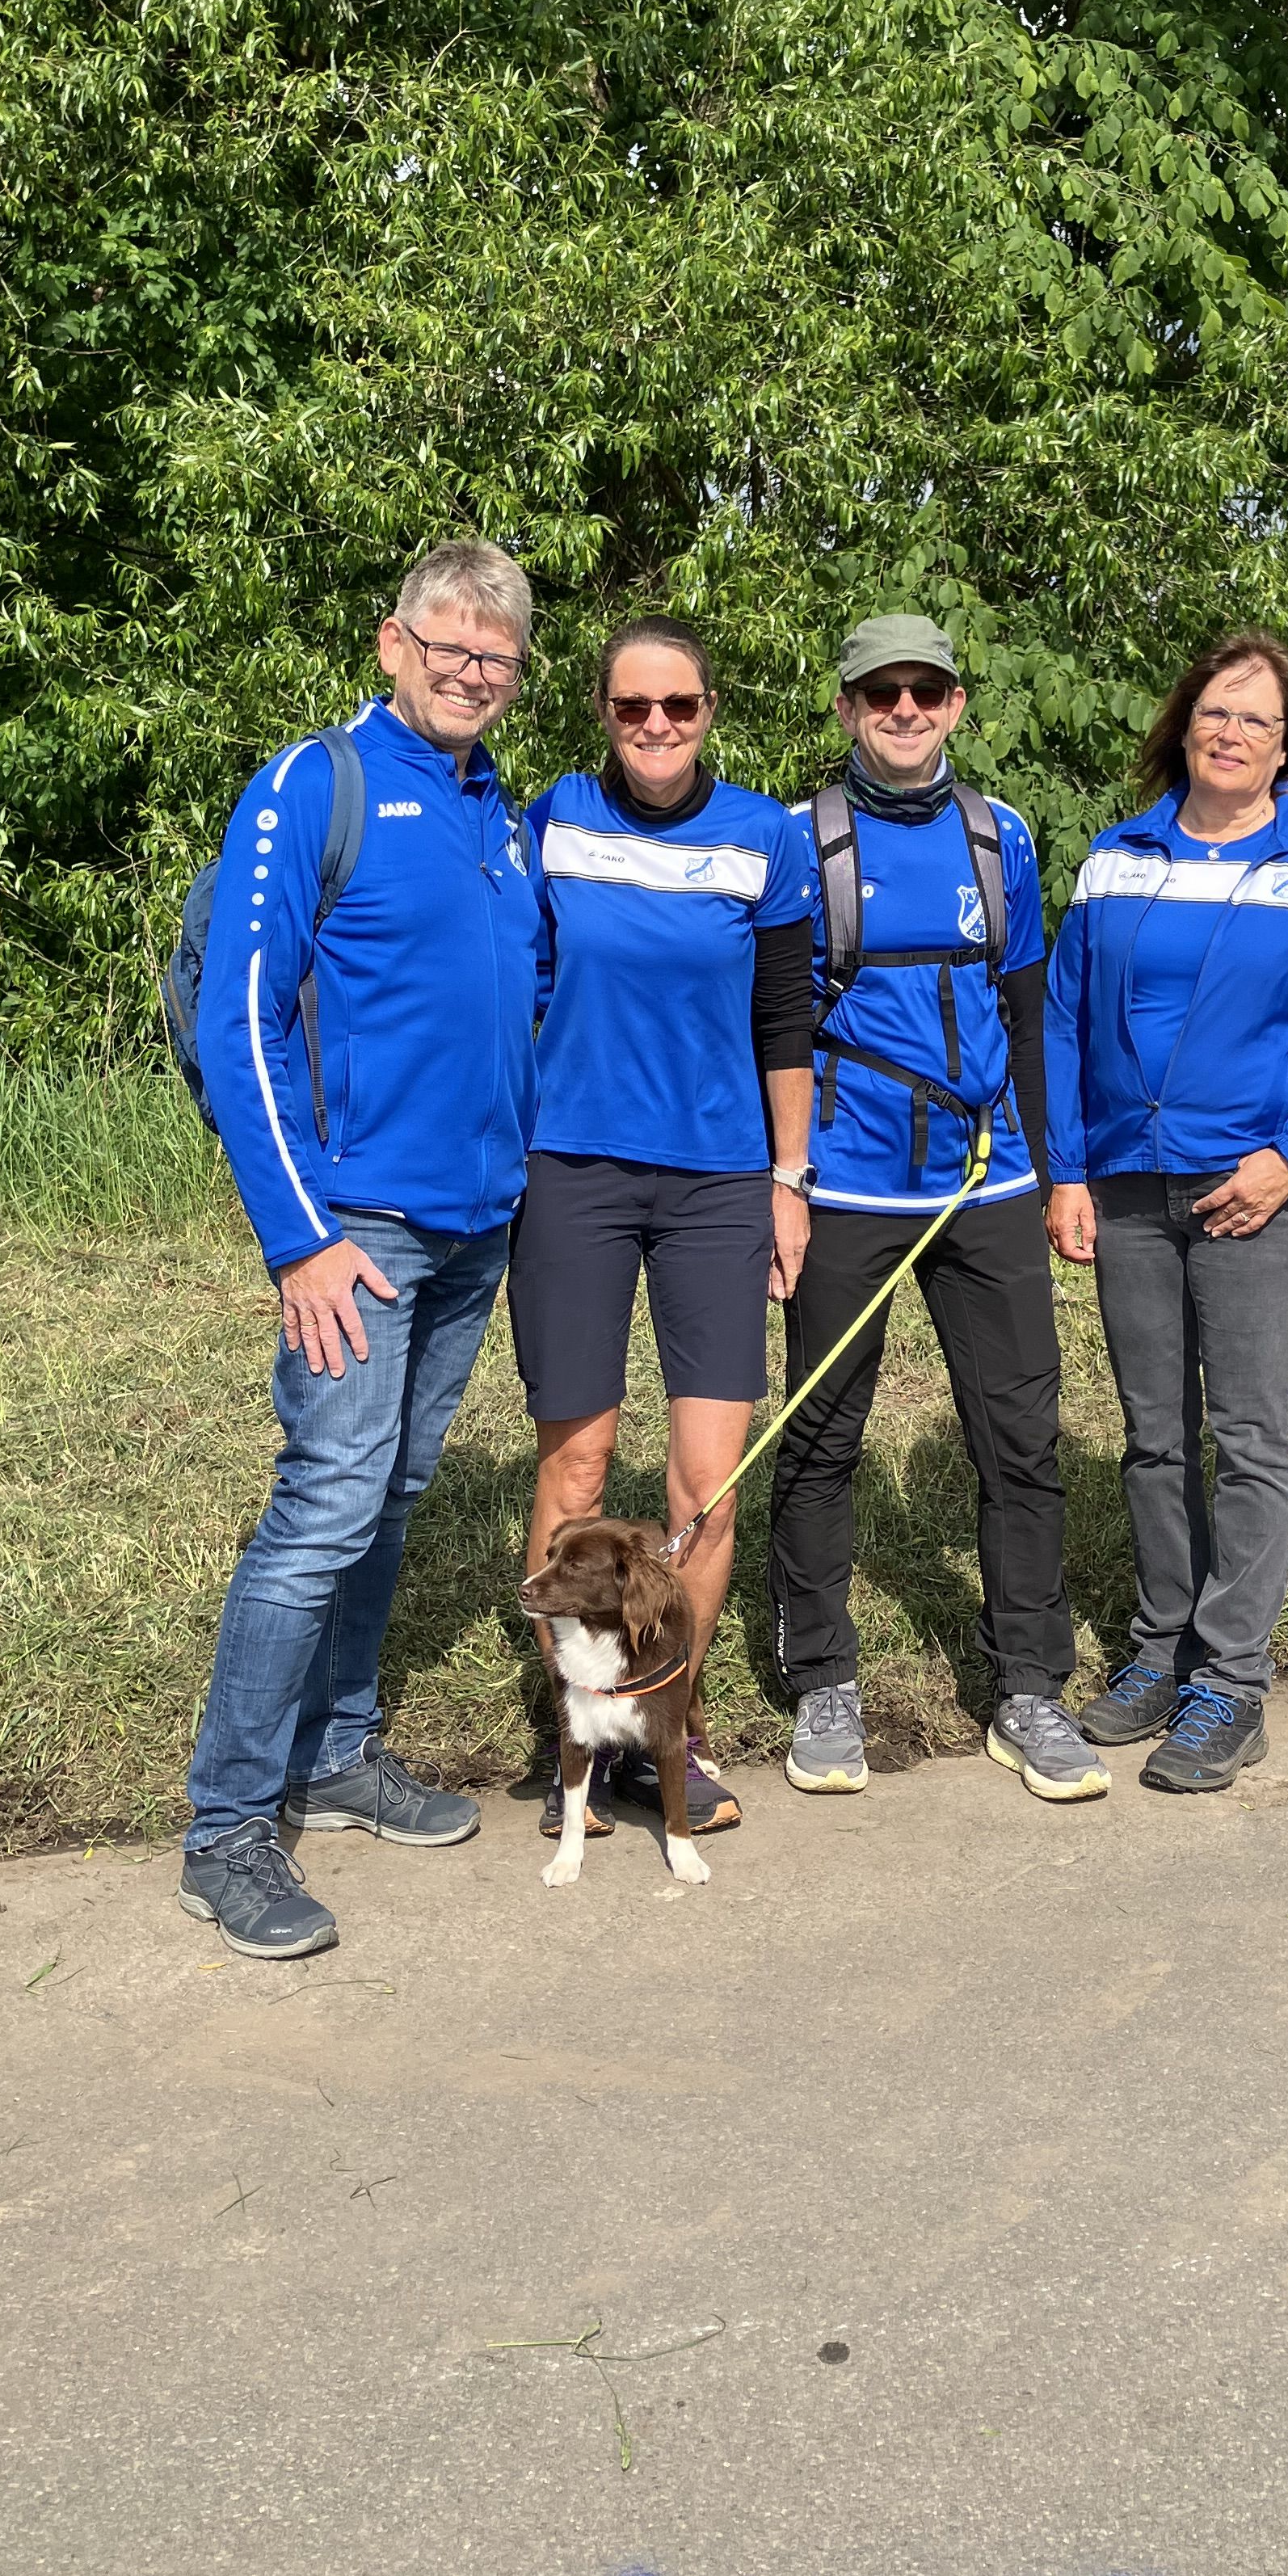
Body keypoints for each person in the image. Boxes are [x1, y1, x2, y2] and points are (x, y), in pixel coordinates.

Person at [183, 540, 546, 1957]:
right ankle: (226, 1829)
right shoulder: (313, 785)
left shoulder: (496, 811)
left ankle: (334, 1755)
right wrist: (301, 1238)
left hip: (475, 1225)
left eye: (496, 655)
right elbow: (241, 1021)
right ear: (393, 644)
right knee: (327, 1501)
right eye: (447, 644)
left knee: (389, 1495)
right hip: (356, 1231)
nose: (471, 671)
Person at [1044, 633, 1288, 1791]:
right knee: (1154, 1436)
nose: (1232, 732)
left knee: (1249, 1439)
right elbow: (1063, 1019)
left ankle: (1233, 1681)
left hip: (1255, 1195)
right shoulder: (1117, 858)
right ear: (1184, 724)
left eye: (1257, 719)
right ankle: (1162, 1650)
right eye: (1215, 711)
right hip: (1128, 1186)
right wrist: (1067, 1171)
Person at [766, 613, 1109, 1807]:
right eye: (882, 693)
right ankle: (823, 1679)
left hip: (987, 1180)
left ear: (957, 703)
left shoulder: (999, 835)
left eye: (926, 690)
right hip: (848, 1181)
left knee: (1021, 1438)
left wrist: (1059, 1174)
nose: (905, 710)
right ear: (848, 707)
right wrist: (781, 1180)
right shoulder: (798, 839)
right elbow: (776, 1023)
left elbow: (1030, 1015)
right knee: (823, 1435)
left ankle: (1030, 1688)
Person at [512, 617, 815, 1842]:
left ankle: (667, 1732)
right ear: (602, 711)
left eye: (678, 706)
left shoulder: (764, 837)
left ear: (708, 712)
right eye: (632, 706)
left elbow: (785, 1017)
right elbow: (520, 989)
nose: (655, 726)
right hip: (573, 1173)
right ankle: (581, 1741)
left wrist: (788, 1179)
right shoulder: (552, 822)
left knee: (706, 1487)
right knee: (579, 1467)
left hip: (718, 1183)